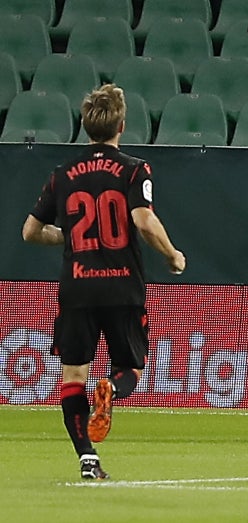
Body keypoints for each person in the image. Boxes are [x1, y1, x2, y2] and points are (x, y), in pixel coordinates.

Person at [22, 84, 186, 480]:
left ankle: (87, 458)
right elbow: (143, 220)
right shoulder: (133, 169)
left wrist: (71, 235)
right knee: (131, 369)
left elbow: (30, 231)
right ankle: (110, 389)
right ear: (121, 126)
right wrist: (172, 254)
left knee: (72, 377)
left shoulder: (61, 175)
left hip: (76, 287)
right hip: (121, 285)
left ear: (85, 126)